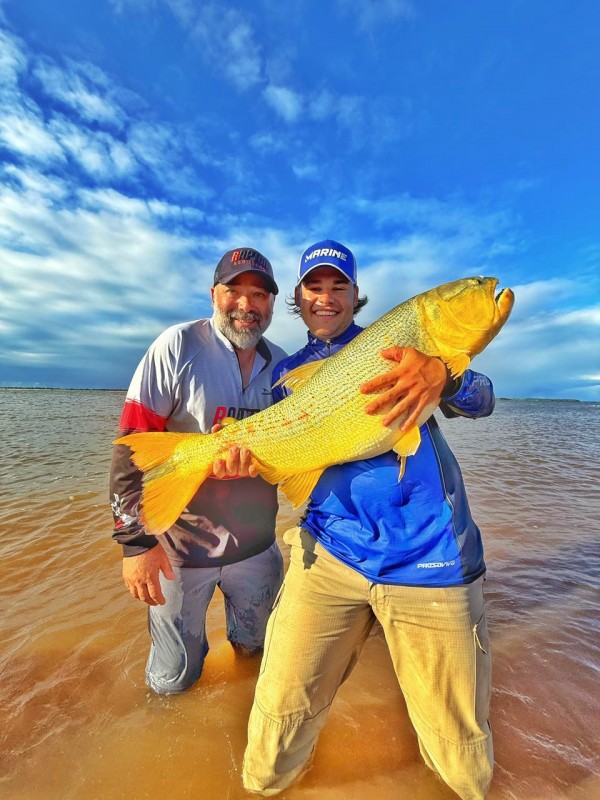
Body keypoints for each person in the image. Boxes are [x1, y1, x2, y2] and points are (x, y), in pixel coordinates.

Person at [242, 239, 495, 799]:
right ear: (299, 298)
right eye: (314, 287)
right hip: (329, 554)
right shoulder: (286, 372)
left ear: (356, 295)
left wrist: (445, 377)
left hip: (431, 560)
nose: (326, 297)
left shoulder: (404, 347)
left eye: (339, 286)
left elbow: (483, 399)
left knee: (461, 758)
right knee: (275, 729)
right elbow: (284, 462)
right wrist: (240, 457)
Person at [109, 247, 287, 694]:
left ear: (270, 303)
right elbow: (131, 451)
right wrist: (135, 545)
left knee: (256, 657)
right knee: (173, 682)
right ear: (213, 294)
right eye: (234, 291)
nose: (246, 305)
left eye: (259, 294)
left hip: (256, 547)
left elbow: (295, 454)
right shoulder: (177, 346)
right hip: (180, 550)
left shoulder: (284, 365)